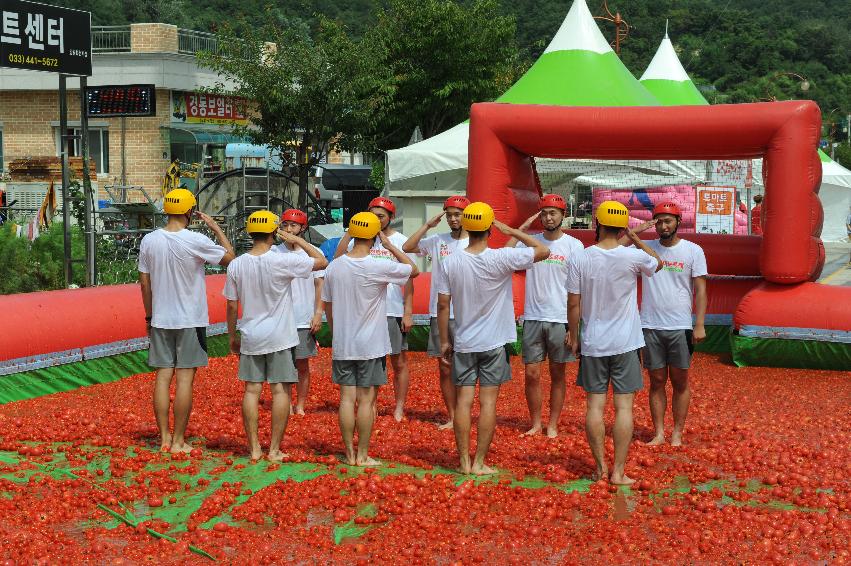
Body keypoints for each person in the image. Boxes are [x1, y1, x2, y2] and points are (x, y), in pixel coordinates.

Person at [438, 202, 550, 475]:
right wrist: (510, 229)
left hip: (464, 341)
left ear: (465, 226)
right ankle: (479, 462)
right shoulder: (501, 258)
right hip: (493, 343)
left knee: (464, 401)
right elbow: (543, 251)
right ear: (489, 228)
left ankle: (464, 461)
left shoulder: (450, 261)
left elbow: (443, 305)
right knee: (488, 403)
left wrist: (444, 340)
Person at [566, 201, 662, 485]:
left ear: (597, 223)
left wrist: (574, 336)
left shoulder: (580, 258)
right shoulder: (631, 257)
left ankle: (599, 468)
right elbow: (659, 263)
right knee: (624, 408)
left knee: (594, 407)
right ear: (622, 227)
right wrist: (635, 238)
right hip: (626, 342)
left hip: (594, 341)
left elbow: (573, 302)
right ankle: (618, 471)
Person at [223, 211, 327, 461]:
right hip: (280, 335)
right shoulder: (280, 261)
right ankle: (274, 449)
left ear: (250, 232)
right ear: (274, 232)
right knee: (280, 391)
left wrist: (231, 336)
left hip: (251, 335)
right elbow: (321, 262)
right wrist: (299, 239)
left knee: (251, 391)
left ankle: (255, 449)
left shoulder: (236, 264)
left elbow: (231, 306)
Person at [138, 188, 235, 454]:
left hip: (161, 319)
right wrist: (216, 228)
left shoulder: (149, 241)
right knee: (184, 381)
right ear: (190, 212)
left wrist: (149, 316)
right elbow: (231, 261)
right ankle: (179, 440)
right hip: (190, 320)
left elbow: (144, 284)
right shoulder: (195, 240)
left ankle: (164, 439)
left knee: (161, 378)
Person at [323, 212, 419, 466]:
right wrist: (389, 246)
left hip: (344, 343)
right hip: (371, 344)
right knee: (366, 399)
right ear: (377, 235)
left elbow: (328, 307)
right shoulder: (379, 266)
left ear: (352, 234)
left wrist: (336, 333)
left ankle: (349, 452)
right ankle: (363, 454)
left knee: (346, 398)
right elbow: (414, 271)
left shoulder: (335, 267)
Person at [505, 194, 585, 438]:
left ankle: (552, 423)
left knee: (558, 373)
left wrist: (574, 327)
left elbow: (580, 288)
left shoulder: (574, 246)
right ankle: (535, 422)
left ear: (563, 215)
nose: (548, 217)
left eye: (553, 213)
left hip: (561, 318)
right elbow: (504, 254)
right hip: (533, 317)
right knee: (531, 373)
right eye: (544, 213)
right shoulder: (530, 242)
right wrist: (521, 229)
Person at [335, 197, 413, 422]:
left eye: (381, 216)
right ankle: (371, 405)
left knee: (398, 360)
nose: (377, 220)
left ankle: (399, 406)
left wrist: (407, 311)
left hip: (392, 308)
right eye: (372, 215)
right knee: (373, 360)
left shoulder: (399, 241)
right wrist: (351, 230)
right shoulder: (358, 239)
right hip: (364, 311)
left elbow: (409, 277)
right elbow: (338, 261)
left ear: (391, 218)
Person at [637, 202, 708, 447]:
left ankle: (677, 432)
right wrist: (637, 231)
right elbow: (616, 249)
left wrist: (698, 323)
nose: (663, 226)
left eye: (668, 221)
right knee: (656, 380)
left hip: (680, 326)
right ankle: (658, 432)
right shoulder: (645, 249)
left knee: (680, 380)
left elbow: (700, 290)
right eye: (659, 221)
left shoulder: (693, 251)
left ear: (678, 222)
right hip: (650, 325)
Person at [402, 195, 470, 429]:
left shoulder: (475, 240)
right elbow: (407, 247)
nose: (452, 219)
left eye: (457, 214)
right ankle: (452, 416)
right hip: (439, 311)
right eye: (449, 214)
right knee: (444, 366)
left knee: (465, 367)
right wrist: (427, 226)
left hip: (467, 313)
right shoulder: (437, 240)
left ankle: (463, 412)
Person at [274, 209, 325, 415]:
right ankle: (284, 402)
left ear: (303, 228)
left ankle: (301, 405)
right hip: (282, 319)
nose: (289, 229)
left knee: (302, 365)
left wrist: (318, 313)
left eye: (293, 225)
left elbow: (320, 284)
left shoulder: (312, 252)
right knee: (283, 365)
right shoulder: (275, 252)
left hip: (304, 318)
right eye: (285, 225)